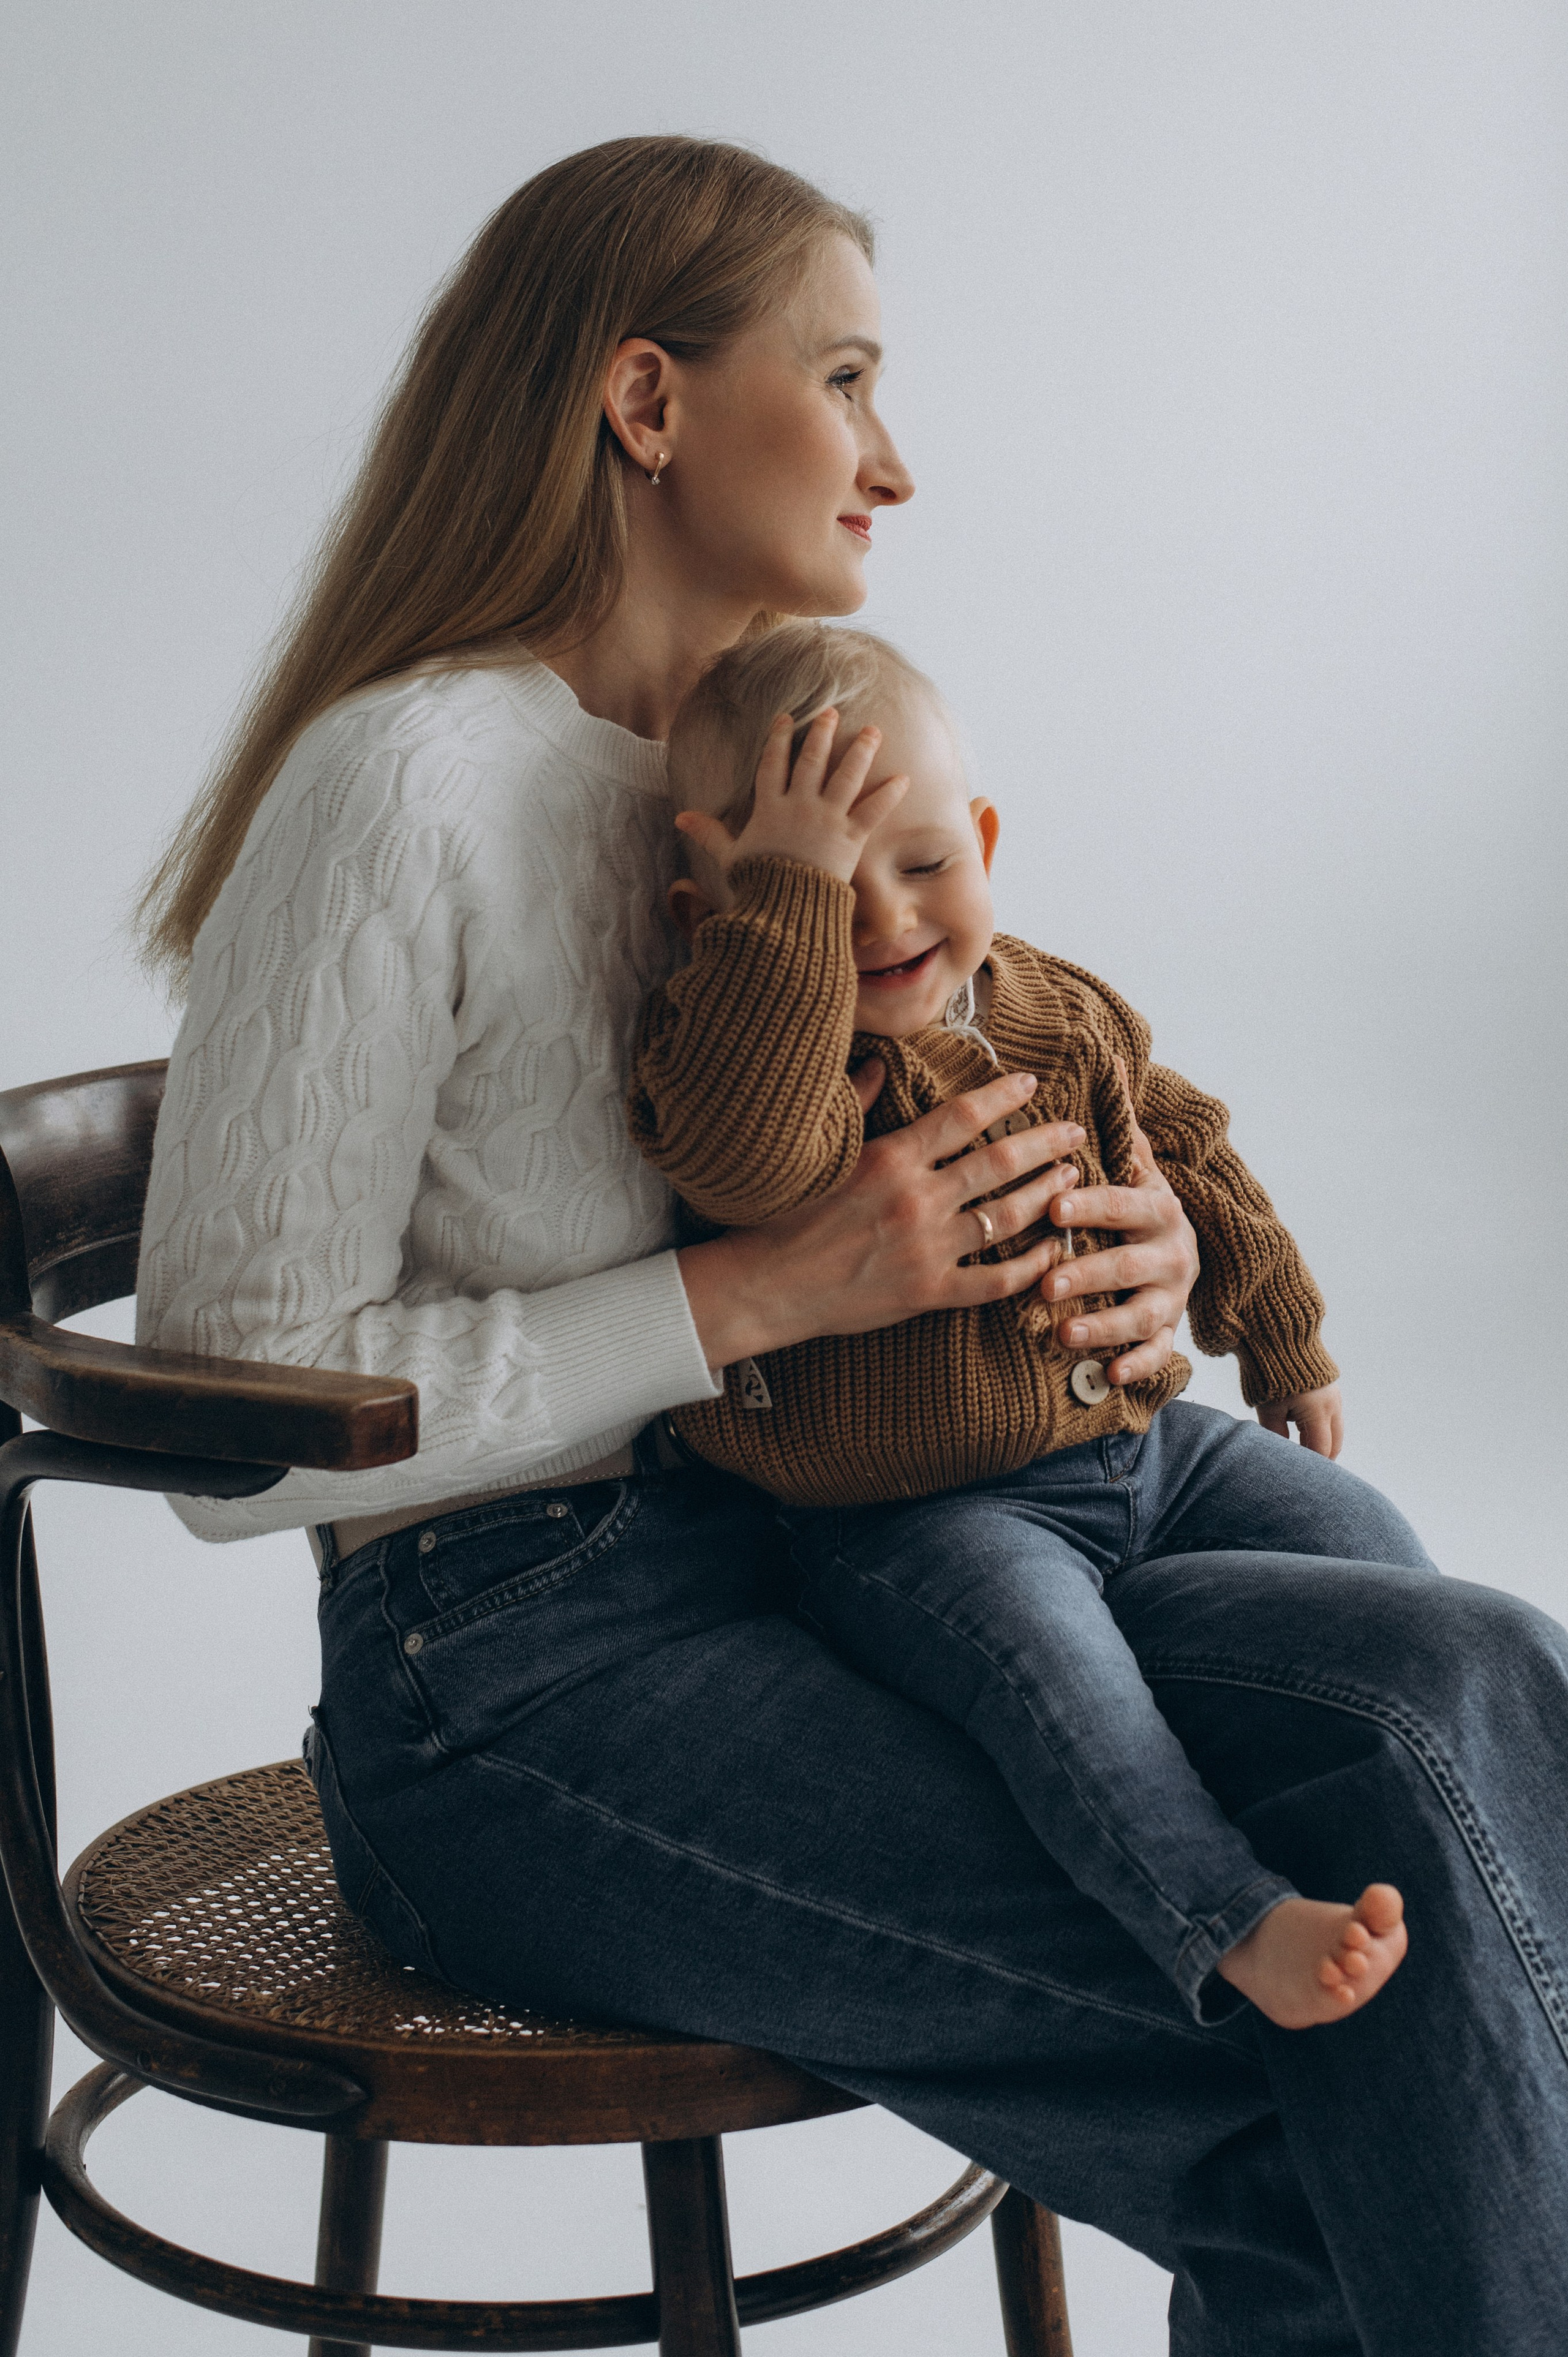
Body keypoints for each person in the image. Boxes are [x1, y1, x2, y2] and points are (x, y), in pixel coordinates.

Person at [132, 134, 1568, 2354]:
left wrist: (1137, 1273)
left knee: (1466, 1665)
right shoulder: (404, 779)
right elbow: (229, 1420)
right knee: (1358, 2060)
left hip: (849, 1542)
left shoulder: (748, 781)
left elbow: (986, 1067)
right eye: (849, 377)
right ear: (646, 404)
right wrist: (771, 1294)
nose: (894, 460)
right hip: (508, 1681)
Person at [627, 618, 1411, 2032]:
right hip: (915, 1520)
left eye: (920, 864)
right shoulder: (729, 1057)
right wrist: (778, 927)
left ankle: (1423, 1851)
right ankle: (1225, 1920)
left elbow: (1187, 1147)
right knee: (1059, 1687)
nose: (878, 920)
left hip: (1143, 1447)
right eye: (812, 888)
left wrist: (1278, 1331)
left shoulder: (1056, 1007)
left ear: (980, 838)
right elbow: (754, 1166)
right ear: (713, 917)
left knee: (1377, 1561)